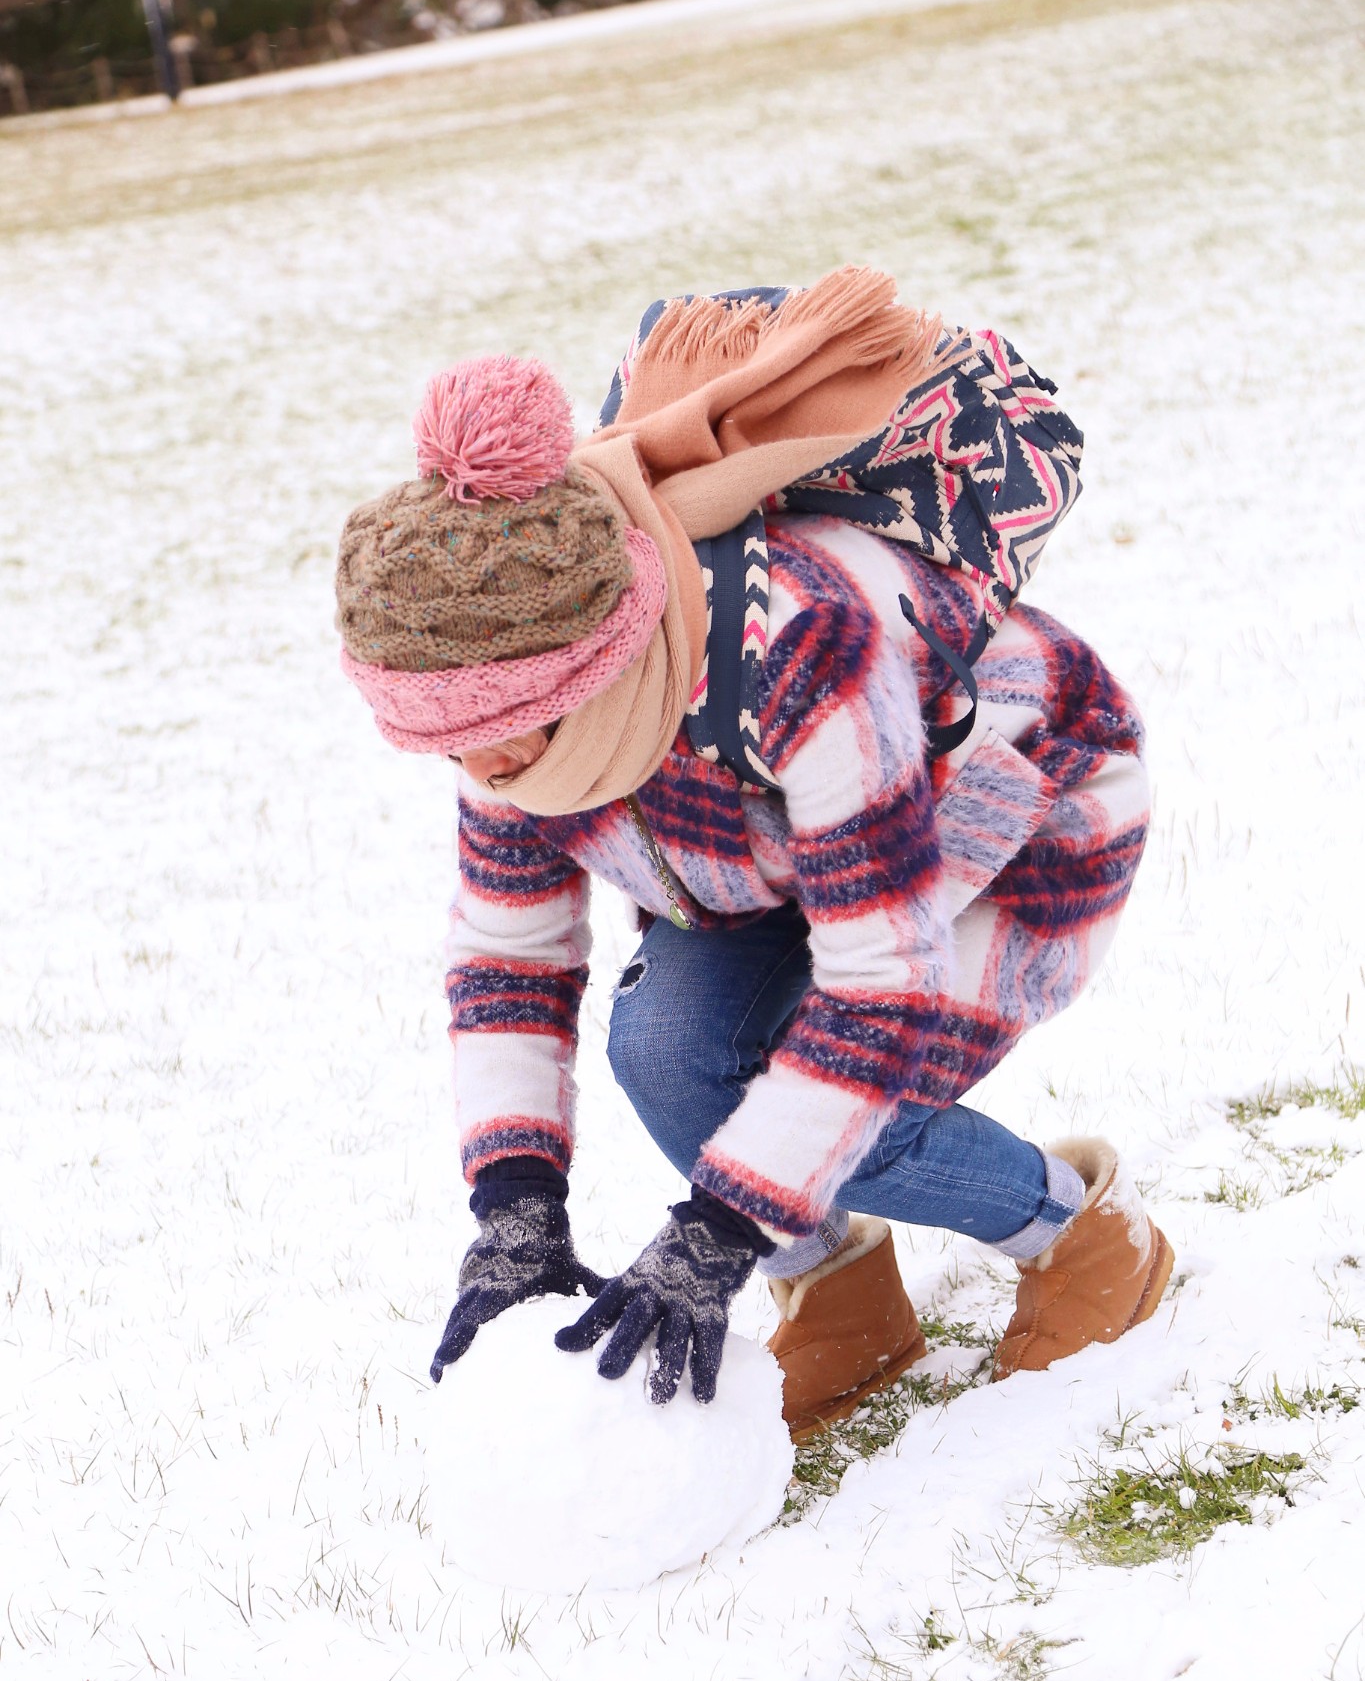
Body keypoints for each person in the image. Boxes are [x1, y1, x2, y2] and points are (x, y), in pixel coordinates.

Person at [334, 268, 1173, 1438]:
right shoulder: (509, 721)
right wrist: (514, 1204)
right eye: (445, 742)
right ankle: (839, 1288)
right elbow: (509, 956)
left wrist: (720, 1227)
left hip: (1013, 823)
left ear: (585, 672)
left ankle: (1079, 1226)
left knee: (858, 1120)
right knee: (670, 1048)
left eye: (491, 737)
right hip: (775, 863)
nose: (479, 770)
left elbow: (880, 988)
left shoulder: (804, 643)